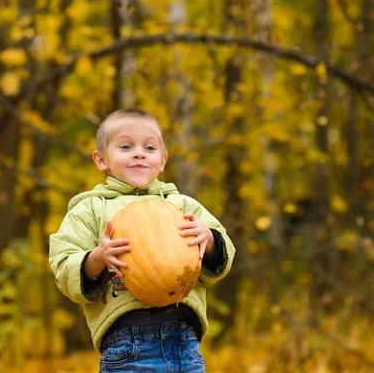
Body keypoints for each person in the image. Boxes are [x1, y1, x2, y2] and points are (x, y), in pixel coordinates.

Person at [49, 108, 236, 372]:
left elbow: (222, 258)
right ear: (101, 160)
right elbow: (64, 266)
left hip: (185, 339)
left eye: (149, 147)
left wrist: (210, 240)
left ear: (163, 160)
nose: (139, 153)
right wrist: (97, 258)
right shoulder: (89, 210)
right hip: (127, 342)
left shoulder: (183, 206)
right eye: (126, 146)